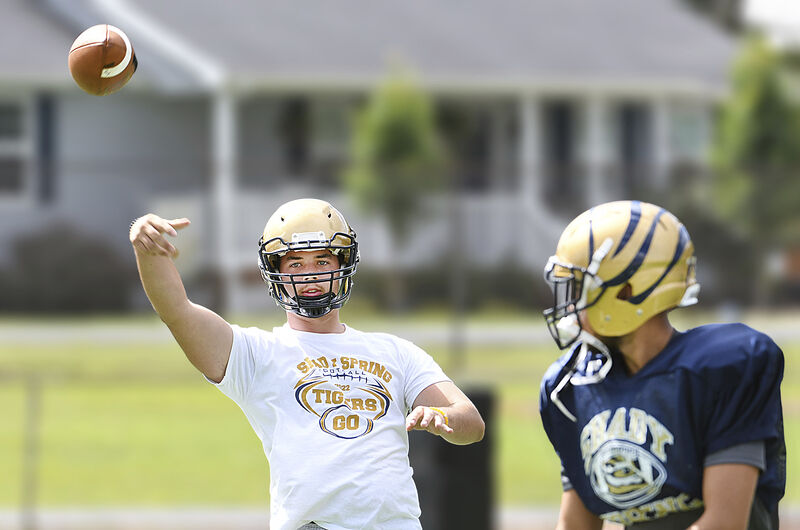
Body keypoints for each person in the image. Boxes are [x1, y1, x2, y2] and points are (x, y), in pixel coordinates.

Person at [129, 198, 485, 530]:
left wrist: (443, 418)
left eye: (322, 261)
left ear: (343, 264)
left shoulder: (395, 351)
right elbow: (176, 310)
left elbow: (471, 422)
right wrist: (147, 249)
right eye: (296, 263)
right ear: (276, 273)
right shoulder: (257, 353)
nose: (310, 273)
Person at [538, 200, 785, 530]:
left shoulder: (721, 369)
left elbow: (725, 524)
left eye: (581, 287)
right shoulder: (571, 388)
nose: (571, 304)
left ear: (626, 292)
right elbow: (576, 525)